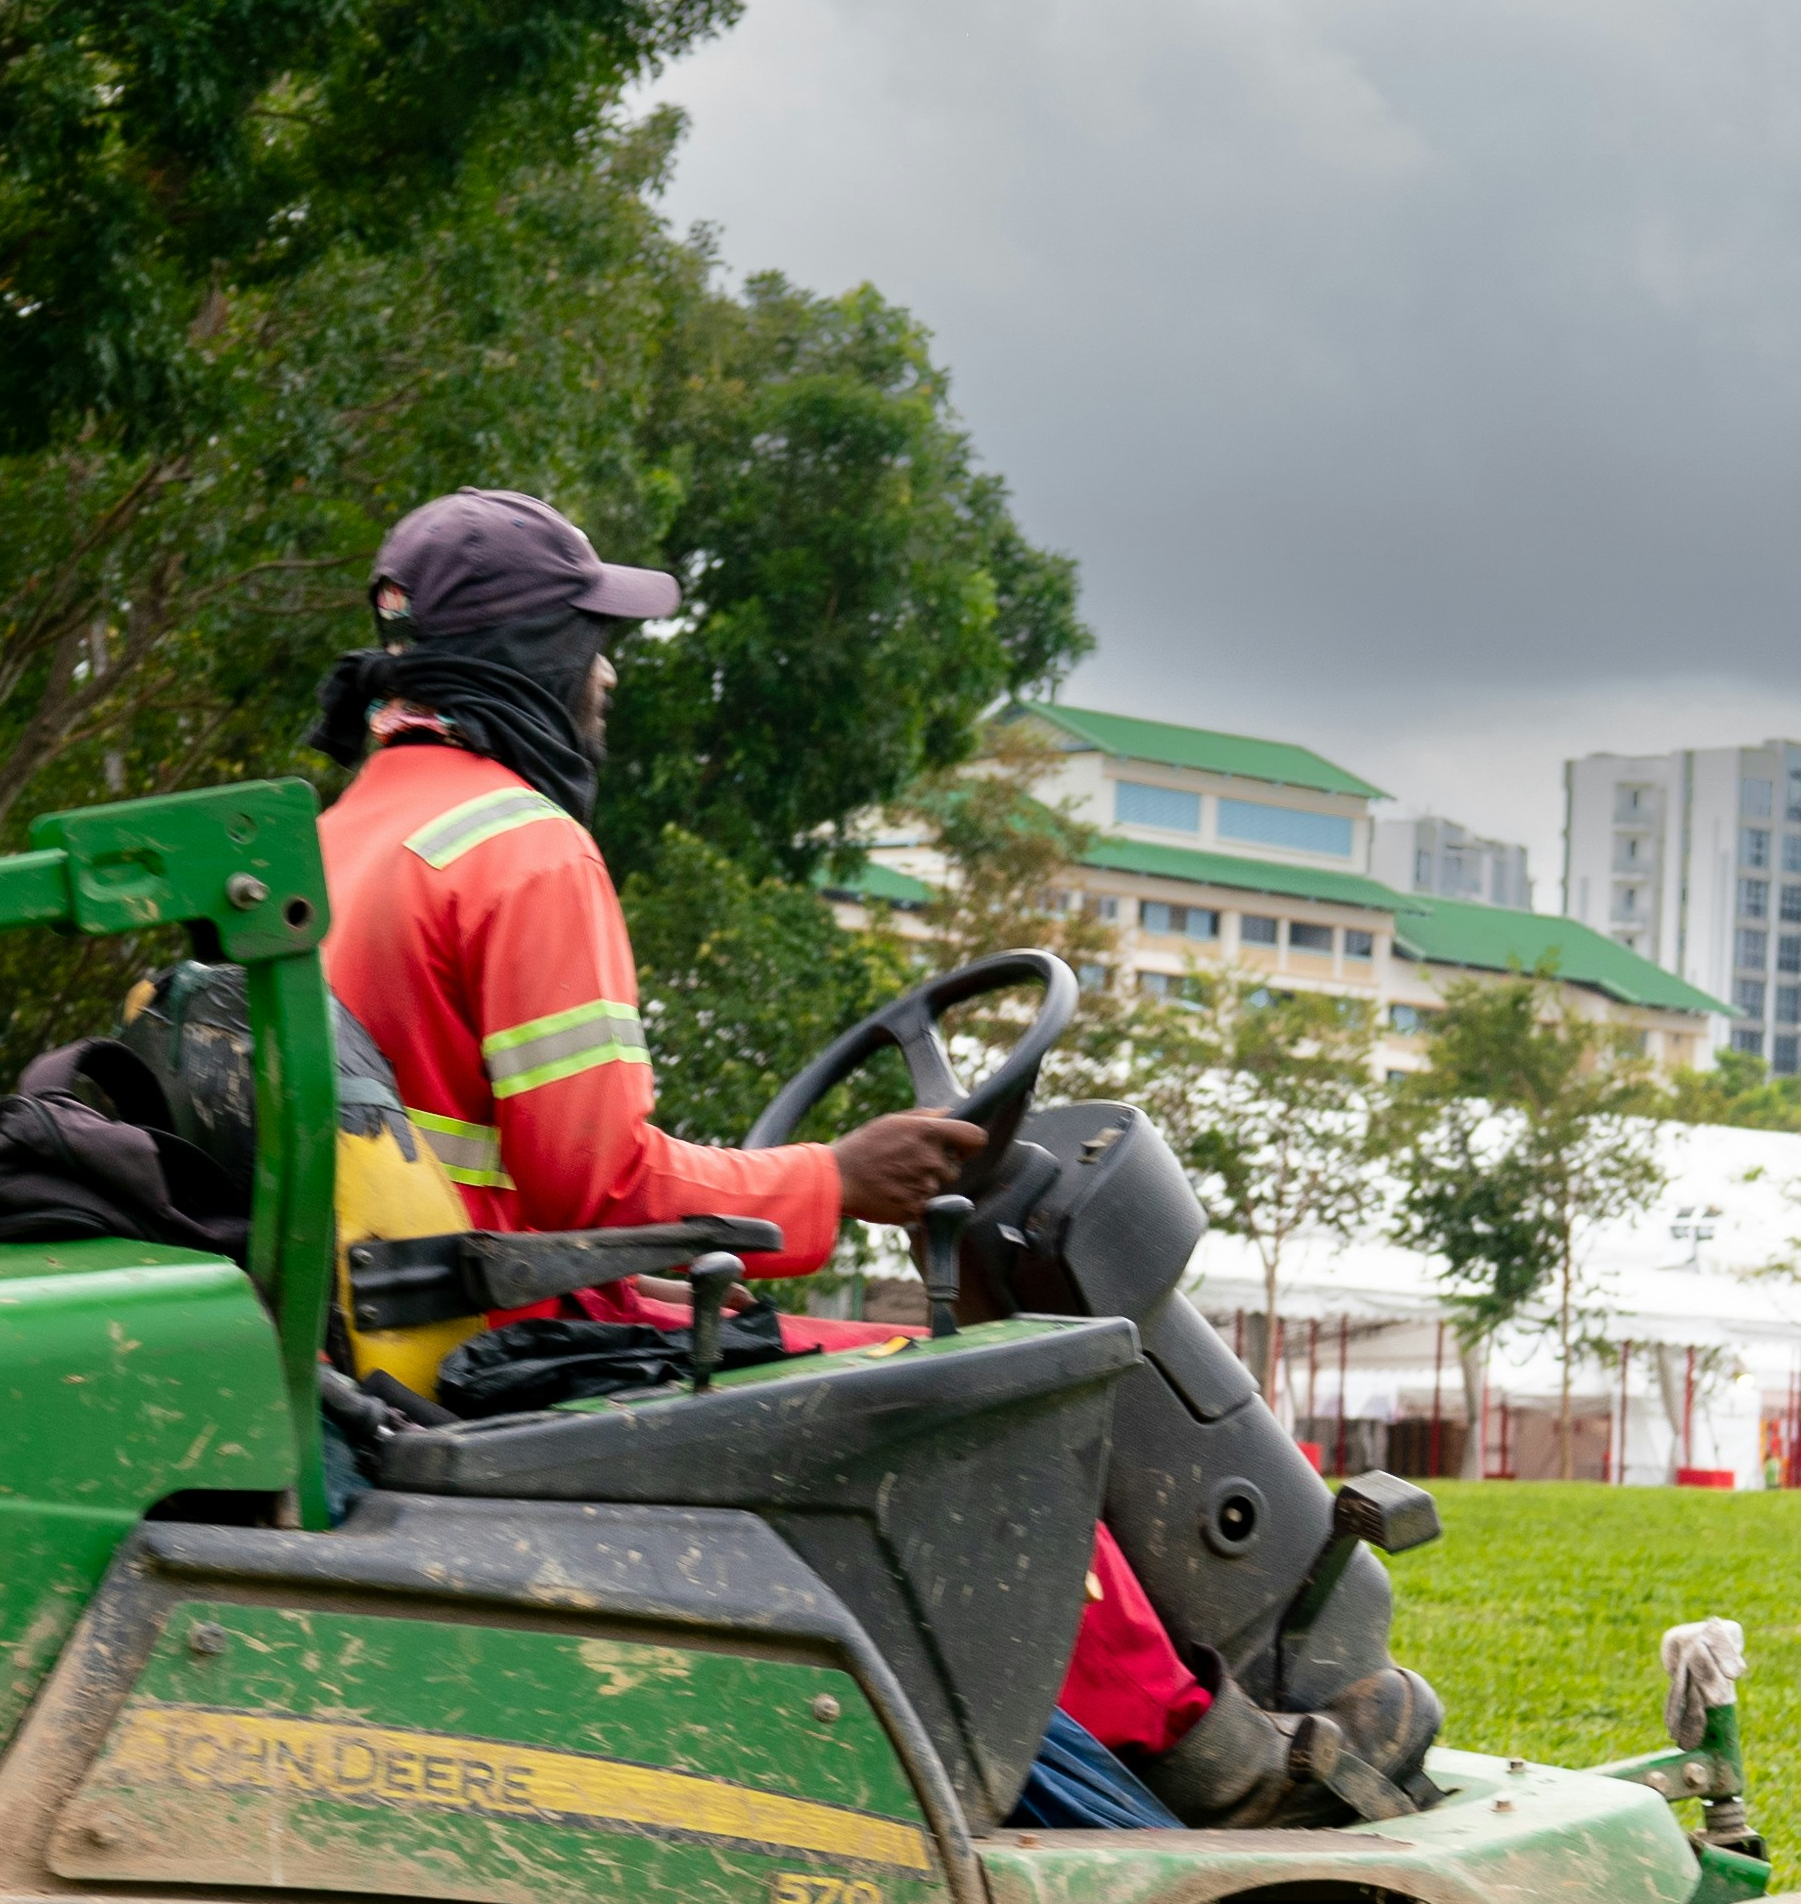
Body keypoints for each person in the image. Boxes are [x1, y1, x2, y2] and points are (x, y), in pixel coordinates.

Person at [315, 488, 1216, 1824]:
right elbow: (598, 1185)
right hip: (523, 1348)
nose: (608, 676)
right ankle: (1195, 1753)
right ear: (531, 655)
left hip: (416, 1327)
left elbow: (522, 1174)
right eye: (593, 643)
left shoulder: (331, 842)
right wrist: (835, 1181)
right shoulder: (519, 850)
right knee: (992, 1413)